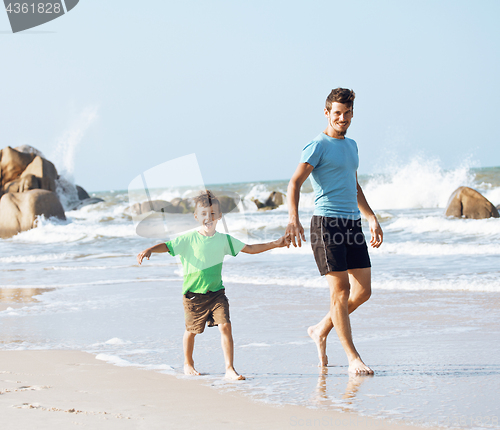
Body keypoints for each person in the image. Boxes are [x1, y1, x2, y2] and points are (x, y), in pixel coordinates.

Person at [137, 190, 290, 380]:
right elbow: (167, 246)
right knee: (191, 331)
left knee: (225, 326)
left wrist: (276, 243)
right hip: (194, 296)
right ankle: (188, 363)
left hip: (217, 293)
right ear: (196, 217)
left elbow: (250, 249)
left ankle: (229, 369)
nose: (208, 218)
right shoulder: (188, 239)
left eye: (212, 214)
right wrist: (150, 249)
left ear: (219, 216)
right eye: (203, 214)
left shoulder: (224, 240)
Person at [286, 88, 383, 374]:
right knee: (340, 292)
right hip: (326, 224)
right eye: (337, 113)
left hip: (352, 224)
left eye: (347, 113)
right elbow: (294, 183)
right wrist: (294, 219)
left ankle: (320, 329)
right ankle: (353, 357)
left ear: (352, 114)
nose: (342, 118)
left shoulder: (352, 146)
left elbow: (353, 185)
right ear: (327, 113)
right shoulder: (317, 145)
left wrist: (371, 217)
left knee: (363, 291)